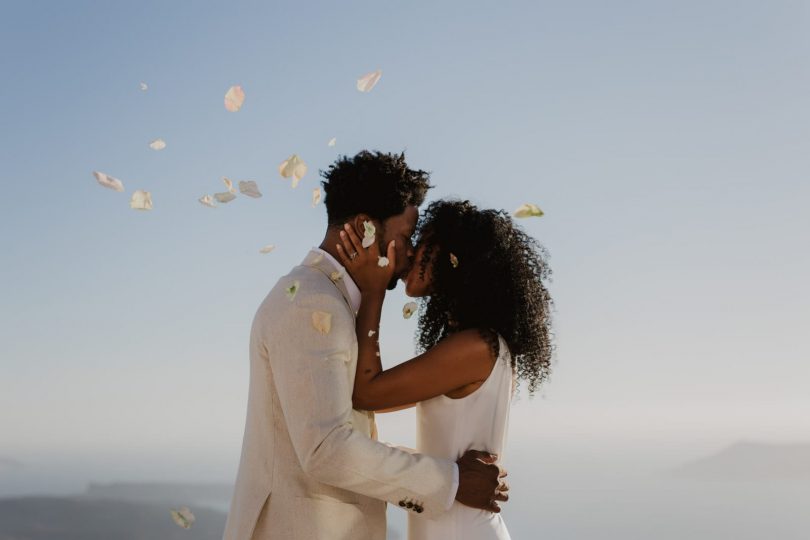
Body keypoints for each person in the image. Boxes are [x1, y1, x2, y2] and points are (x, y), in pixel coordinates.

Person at [223, 152, 507, 540]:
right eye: (406, 237)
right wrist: (451, 480)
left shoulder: (326, 300)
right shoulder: (310, 301)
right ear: (364, 228)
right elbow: (327, 448)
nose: (408, 253)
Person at [334, 199, 554, 540]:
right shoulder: (479, 346)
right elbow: (366, 397)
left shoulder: (475, 348)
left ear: (457, 258)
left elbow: (367, 392)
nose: (410, 254)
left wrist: (373, 290)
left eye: (425, 244)